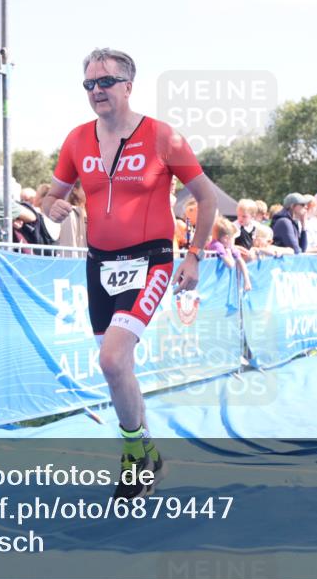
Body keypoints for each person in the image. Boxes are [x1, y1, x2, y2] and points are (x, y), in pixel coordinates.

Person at [41, 48, 216, 499]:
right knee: (120, 370)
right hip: (99, 263)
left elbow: (207, 197)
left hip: (150, 258)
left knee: (111, 359)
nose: (96, 91)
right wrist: (52, 205)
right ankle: (146, 450)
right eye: (88, 84)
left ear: (128, 86)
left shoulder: (162, 136)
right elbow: (50, 198)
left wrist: (194, 253)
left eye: (105, 82)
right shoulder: (77, 139)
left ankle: (135, 453)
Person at [57, 181, 87, 256]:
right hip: (76, 263)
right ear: (75, 190)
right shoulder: (70, 213)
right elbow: (69, 244)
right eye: (86, 187)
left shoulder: (88, 211)